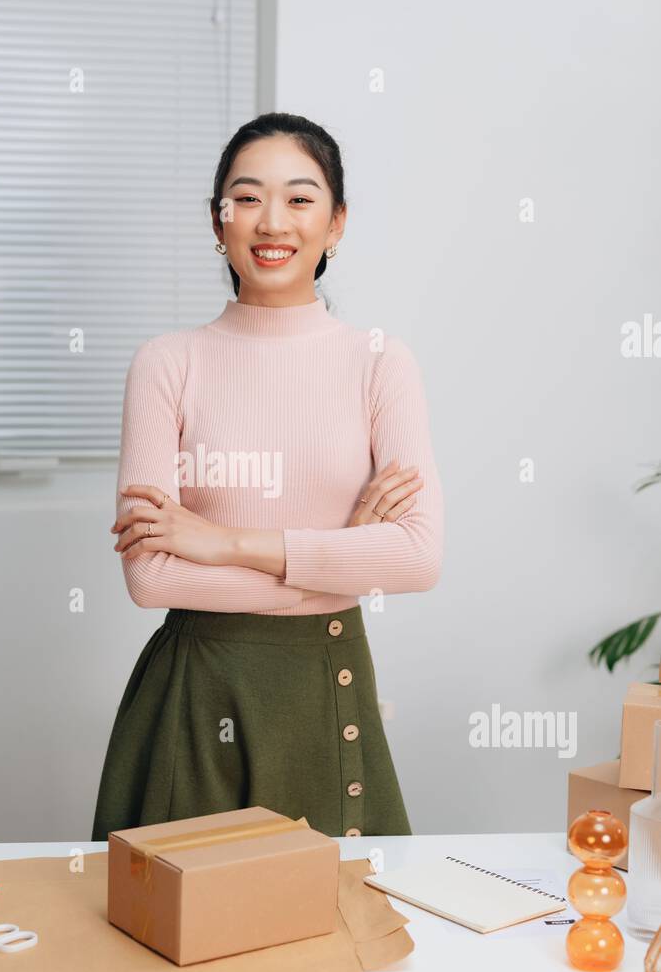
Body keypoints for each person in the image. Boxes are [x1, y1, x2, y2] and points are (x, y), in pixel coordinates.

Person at [91, 112, 443, 840]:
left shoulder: (381, 362)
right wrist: (342, 553)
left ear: (337, 223)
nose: (272, 221)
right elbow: (152, 579)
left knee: (342, 933)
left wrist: (223, 542)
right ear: (217, 223)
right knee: (178, 933)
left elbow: (417, 557)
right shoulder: (167, 364)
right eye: (247, 198)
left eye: (301, 198)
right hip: (196, 691)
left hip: (329, 682)